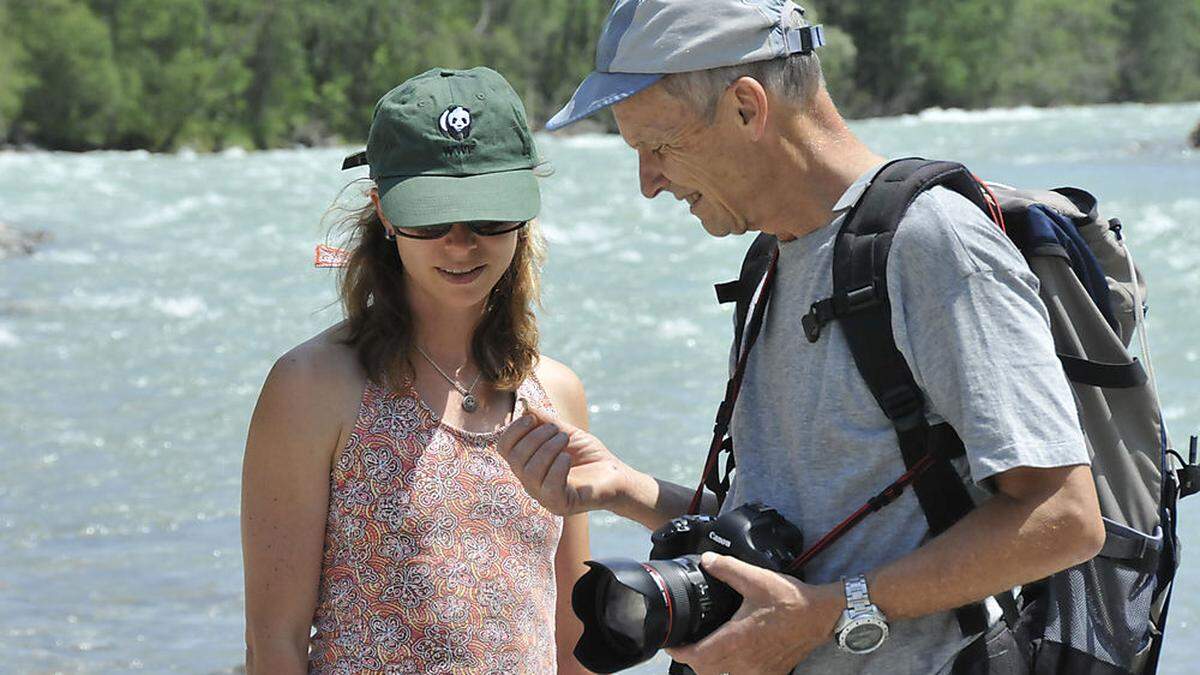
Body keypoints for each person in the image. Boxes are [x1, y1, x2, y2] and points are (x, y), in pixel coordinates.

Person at [498, 1, 1106, 674]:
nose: (649, 184)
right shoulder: (771, 261)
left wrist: (825, 616)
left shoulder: (931, 243)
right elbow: (804, 538)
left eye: (659, 147)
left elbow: (1064, 518)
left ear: (747, 108)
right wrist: (626, 489)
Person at [241, 67, 591, 674]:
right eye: (431, 220)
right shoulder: (311, 388)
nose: (460, 244)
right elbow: (274, 642)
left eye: (488, 217)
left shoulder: (556, 394)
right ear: (383, 212)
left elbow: (576, 636)